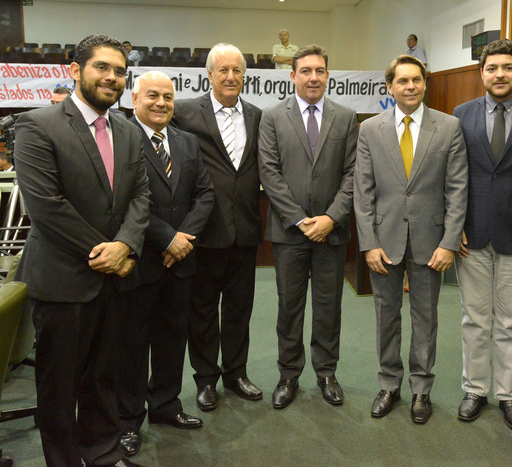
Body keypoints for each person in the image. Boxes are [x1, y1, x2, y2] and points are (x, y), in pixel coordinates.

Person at [14, 34, 151, 467]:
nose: (112, 77)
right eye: (102, 67)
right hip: (63, 281)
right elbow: (46, 207)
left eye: (120, 71)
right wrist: (106, 252)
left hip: (114, 282)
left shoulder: (128, 130)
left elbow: (140, 196)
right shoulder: (37, 125)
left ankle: (104, 453)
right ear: (75, 70)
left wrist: (125, 245)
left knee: (103, 380)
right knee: (59, 389)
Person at [354, 55, 467, 424]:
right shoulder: (370, 129)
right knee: (386, 317)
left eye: (416, 80)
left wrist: (449, 242)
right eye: (402, 81)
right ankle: (389, 385)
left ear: (425, 83)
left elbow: (457, 189)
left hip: (430, 242)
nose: (410, 86)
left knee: (425, 319)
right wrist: (368, 244)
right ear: (389, 87)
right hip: (383, 241)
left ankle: (421, 389)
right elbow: (363, 192)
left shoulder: (449, 127)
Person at [116, 71, 215, 458]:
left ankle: (165, 406)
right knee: (132, 344)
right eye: (152, 95)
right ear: (134, 99)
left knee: (173, 338)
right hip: (141, 260)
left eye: (168, 97)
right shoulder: (122, 138)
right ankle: (128, 420)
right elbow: (124, 198)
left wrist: (183, 239)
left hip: (181, 261)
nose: (161, 103)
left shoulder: (187, 141)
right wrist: (167, 237)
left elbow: (205, 194)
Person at [258, 44, 358, 409]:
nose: (313, 77)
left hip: (332, 232)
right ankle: (288, 374)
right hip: (289, 233)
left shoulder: (346, 117)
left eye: (319, 71)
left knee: (329, 308)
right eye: (306, 71)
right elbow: (269, 172)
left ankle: (327, 373)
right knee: (290, 307)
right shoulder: (272, 117)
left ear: (328, 75)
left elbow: (353, 173)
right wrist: (300, 220)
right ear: (293, 75)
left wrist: (331, 218)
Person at [452, 39, 512, 431]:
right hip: (471, 236)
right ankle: (474, 390)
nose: (500, 74)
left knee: (511, 323)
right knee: (474, 320)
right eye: (492, 68)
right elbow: (453, 177)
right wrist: (453, 228)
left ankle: (509, 396)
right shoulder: (461, 115)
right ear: (482, 73)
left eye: (508, 67)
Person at [172, 43, 265, 411]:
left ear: (244, 76)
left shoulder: (257, 116)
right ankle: (206, 378)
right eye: (223, 70)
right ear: (209, 75)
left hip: (246, 231)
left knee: (240, 309)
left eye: (237, 70)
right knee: (203, 310)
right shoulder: (183, 113)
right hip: (204, 232)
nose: (230, 77)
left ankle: (236, 373)